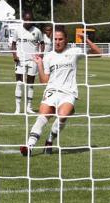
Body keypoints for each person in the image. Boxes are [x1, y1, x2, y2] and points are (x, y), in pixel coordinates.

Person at [20, 27, 101, 156]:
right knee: (43, 116)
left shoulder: (74, 52)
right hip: (52, 91)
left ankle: (50, 141)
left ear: (66, 40)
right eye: (55, 39)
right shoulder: (48, 57)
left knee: (62, 116)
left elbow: (98, 52)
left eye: (60, 39)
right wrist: (39, 64)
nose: (57, 42)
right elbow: (44, 81)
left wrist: (86, 39)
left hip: (68, 92)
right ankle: (29, 147)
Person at [11, 10, 45, 114]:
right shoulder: (18, 30)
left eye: (30, 19)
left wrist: (41, 54)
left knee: (30, 84)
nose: (28, 21)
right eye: (26, 19)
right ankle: (17, 109)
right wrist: (15, 55)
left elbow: (42, 43)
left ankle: (28, 108)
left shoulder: (37, 31)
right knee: (19, 83)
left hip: (33, 60)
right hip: (20, 60)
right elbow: (13, 44)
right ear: (23, 20)